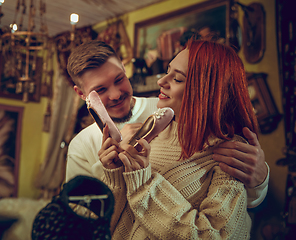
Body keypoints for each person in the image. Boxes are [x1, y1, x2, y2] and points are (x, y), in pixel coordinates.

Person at [66, 40, 269, 208]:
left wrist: (260, 180)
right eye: (100, 90)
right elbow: (82, 219)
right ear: (81, 94)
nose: (116, 94)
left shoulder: (172, 109)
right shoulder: (81, 146)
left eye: (119, 79)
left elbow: (240, 202)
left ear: (123, 66)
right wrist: (108, 168)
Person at [99, 39, 258, 239]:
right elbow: (112, 225)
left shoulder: (230, 152)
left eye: (177, 79)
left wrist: (143, 184)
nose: (161, 81)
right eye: (168, 70)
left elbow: (214, 235)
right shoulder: (150, 133)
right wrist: (115, 176)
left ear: (206, 91)